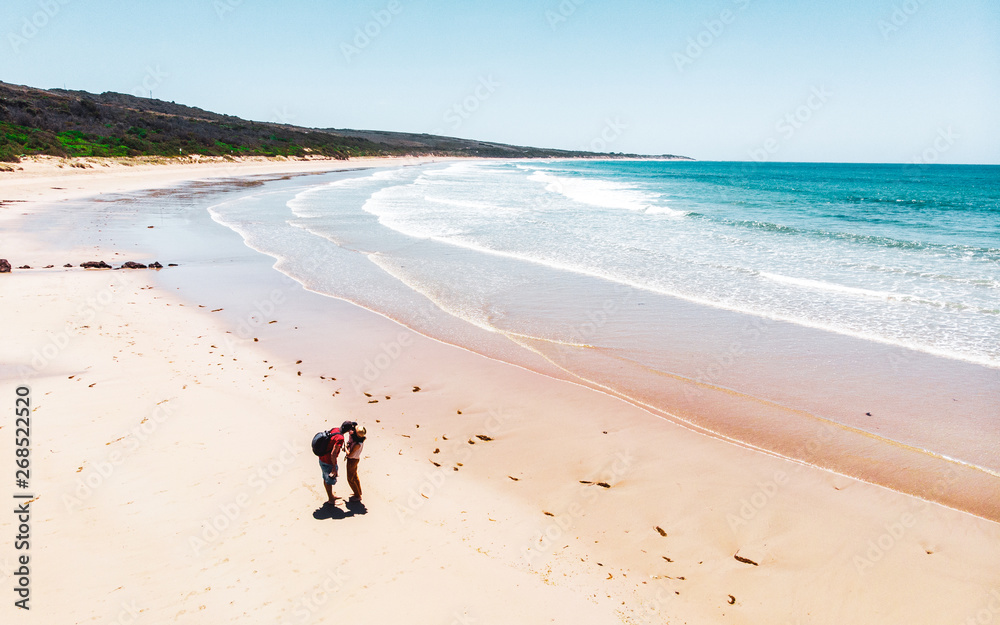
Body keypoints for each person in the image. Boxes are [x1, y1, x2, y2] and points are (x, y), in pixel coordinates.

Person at [318, 427, 346, 504]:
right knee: (329, 480)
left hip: (322, 457)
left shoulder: (335, 429)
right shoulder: (340, 438)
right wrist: (334, 467)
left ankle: (331, 496)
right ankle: (331, 499)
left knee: (325, 478)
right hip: (328, 461)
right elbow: (333, 453)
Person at [344, 425, 366, 502]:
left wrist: (345, 447)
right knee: (355, 476)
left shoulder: (357, 444)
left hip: (352, 460)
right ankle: (358, 491)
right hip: (355, 459)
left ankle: (357, 495)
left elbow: (349, 454)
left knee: (350, 479)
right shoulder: (360, 441)